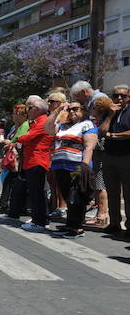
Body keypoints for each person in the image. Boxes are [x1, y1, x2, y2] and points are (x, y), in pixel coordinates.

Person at [45, 100, 97, 238]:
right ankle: (70, 225)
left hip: (76, 167)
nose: (72, 111)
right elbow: (48, 127)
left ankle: (77, 228)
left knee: (76, 197)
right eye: (70, 109)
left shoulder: (87, 124)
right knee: (68, 196)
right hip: (60, 166)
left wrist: (83, 167)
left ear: (83, 111)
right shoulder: (63, 126)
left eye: (76, 109)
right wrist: (57, 110)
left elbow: (89, 147)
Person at [9, 96, 54, 232]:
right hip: (33, 160)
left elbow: (25, 138)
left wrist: (20, 140)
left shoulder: (42, 122)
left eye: (30, 108)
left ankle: (39, 221)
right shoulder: (37, 121)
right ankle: (41, 219)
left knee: (37, 193)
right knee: (37, 192)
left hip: (37, 160)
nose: (27, 111)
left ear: (38, 109)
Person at [101, 85, 130, 236]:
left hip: (126, 157)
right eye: (115, 95)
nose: (119, 98)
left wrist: (112, 136)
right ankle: (114, 223)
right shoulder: (108, 112)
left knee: (128, 193)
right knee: (112, 192)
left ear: (128, 97)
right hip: (109, 157)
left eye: (123, 96)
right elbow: (101, 131)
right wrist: (110, 116)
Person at [87, 96, 113, 228]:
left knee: (100, 186)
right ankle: (100, 214)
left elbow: (102, 140)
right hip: (98, 157)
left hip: (101, 157)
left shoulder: (104, 121)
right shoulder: (99, 120)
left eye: (93, 107)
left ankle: (102, 215)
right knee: (98, 186)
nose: (91, 109)